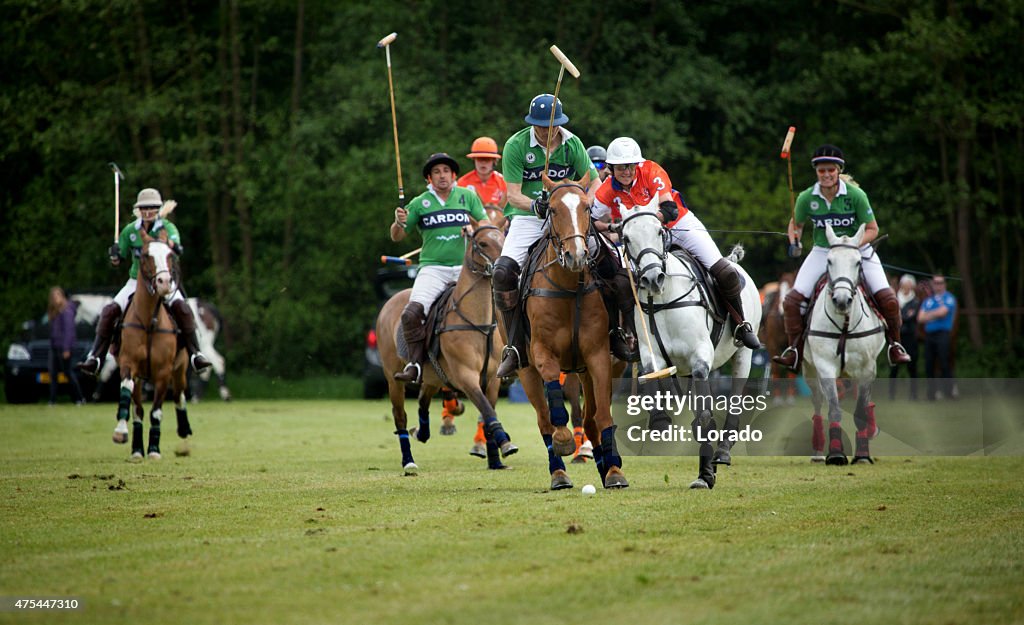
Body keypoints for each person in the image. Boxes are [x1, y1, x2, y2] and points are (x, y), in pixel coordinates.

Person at [492, 93, 629, 378]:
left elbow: (595, 182)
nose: (546, 131)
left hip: (569, 217)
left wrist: (585, 204)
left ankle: (617, 334)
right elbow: (513, 194)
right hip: (529, 218)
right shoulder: (516, 145)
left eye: (551, 125)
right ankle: (515, 347)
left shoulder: (572, 143)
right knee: (503, 273)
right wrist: (534, 205)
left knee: (611, 265)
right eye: (540, 125)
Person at [592, 137, 761, 351]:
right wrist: (612, 228)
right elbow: (591, 220)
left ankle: (740, 324)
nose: (626, 171)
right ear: (611, 168)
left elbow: (670, 209)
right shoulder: (606, 190)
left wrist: (649, 221)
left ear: (637, 165)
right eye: (620, 167)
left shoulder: (652, 171)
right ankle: (630, 336)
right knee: (621, 283)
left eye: (630, 166)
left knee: (723, 271)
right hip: (640, 240)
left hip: (678, 225)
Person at [772, 144, 911, 370]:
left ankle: (895, 345)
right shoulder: (807, 197)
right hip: (823, 252)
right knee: (791, 302)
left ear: (838, 171)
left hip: (858, 250)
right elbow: (796, 224)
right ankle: (794, 350)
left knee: (889, 299)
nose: (826, 174)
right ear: (816, 172)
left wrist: (851, 244)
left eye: (830, 170)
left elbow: (873, 229)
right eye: (821, 170)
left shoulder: (856, 195)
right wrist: (794, 241)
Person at [76, 188, 212, 376]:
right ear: (139, 210)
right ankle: (95, 357)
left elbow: (177, 248)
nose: (148, 211)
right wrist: (115, 255)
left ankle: (196, 355)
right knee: (109, 311)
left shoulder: (167, 228)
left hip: (164, 280)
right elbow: (119, 259)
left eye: (152, 208)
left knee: (183, 308)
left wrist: (170, 244)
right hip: (136, 281)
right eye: (144, 208)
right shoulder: (130, 231)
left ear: (158, 209)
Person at [391, 153, 491, 384]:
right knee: (412, 312)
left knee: (497, 302)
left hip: (466, 269)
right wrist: (398, 222)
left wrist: (473, 230)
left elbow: (485, 224)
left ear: (454, 175)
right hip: (433, 269)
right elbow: (397, 236)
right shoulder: (418, 203)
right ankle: (415, 364)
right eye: (436, 172)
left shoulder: (468, 197)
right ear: (429, 177)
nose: (442, 175)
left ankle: (502, 355)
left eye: (446, 170)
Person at [458, 136, 508, 231]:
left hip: (500, 230)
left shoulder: (503, 181)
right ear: (474, 160)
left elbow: (511, 209)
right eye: (480, 159)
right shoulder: (463, 183)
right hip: (472, 228)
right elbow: (459, 210)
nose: (483, 163)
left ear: (494, 161)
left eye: (487, 159)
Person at [918, 275, 956, 400]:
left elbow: (943, 312)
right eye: (935, 283)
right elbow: (920, 318)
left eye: (940, 282)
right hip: (930, 335)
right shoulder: (928, 300)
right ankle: (931, 393)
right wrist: (935, 314)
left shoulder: (949, 298)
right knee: (929, 364)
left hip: (943, 334)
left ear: (944, 284)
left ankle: (949, 391)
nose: (937, 285)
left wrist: (929, 314)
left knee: (944, 362)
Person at [47, 286, 85, 405]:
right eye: (53, 297)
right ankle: (52, 400)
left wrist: (66, 348)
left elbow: (69, 331)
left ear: (62, 296)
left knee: (68, 373)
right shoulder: (54, 311)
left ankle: (79, 398)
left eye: (58, 295)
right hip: (54, 346)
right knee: (53, 374)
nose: (56, 299)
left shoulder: (67, 310)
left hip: (64, 347)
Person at [889, 274, 920, 399]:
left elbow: (910, 317)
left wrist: (901, 315)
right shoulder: (894, 299)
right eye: (904, 285)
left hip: (910, 337)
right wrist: (904, 315)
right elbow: (893, 316)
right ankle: (891, 394)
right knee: (894, 367)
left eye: (909, 285)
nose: (906, 287)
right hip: (896, 337)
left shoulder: (916, 301)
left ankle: (913, 394)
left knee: (912, 366)